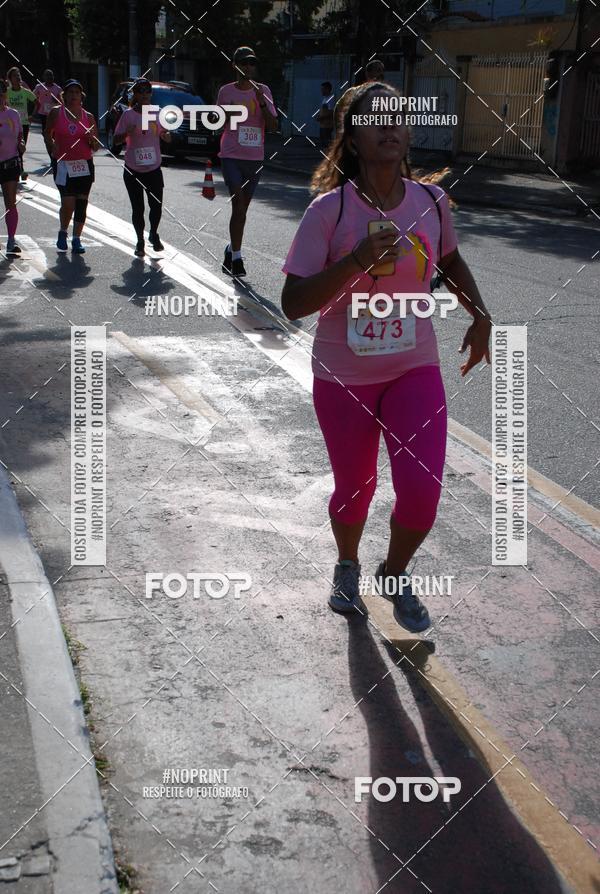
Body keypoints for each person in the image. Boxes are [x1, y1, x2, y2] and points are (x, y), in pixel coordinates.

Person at [281, 82, 491, 630]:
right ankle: (346, 564)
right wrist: (353, 260)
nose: (390, 128)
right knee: (356, 488)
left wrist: (480, 315)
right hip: (343, 376)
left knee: (422, 494)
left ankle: (394, 573)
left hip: (412, 367)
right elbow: (293, 304)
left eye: (399, 118)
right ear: (352, 137)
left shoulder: (432, 203)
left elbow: (450, 262)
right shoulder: (329, 212)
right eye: (375, 119)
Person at [216, 46, 277, 278]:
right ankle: (238, 259)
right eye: (243, 63)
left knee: (242, 211)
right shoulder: (226, 91)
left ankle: (230, 250)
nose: (248, 67)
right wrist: (225, 116)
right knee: (238, 205)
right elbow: (216, 121)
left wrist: (262, 103)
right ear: (235, 65)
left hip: (254, 158)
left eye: (252, 63)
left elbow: (273, 126)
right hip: (231, 155)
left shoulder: (264, 90)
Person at [113, 78, 171, 257]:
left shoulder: (157, 113)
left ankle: (153, 233)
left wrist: (166, 135)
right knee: (138, 208)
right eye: (141, 91)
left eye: (148, 91)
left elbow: (166, 133)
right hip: (133, 169)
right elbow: (115, 140)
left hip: (153, 168)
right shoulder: (128, 115)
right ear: (135, 95)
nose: (145, 95)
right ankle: (140, 241)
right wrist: (126, 134)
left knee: (157, 206)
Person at [45, 79, 99, 254]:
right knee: (68, 202)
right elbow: (48, 133)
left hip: (84, 164)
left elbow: (96, 146)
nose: (74, 95)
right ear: (65, 95)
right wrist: (51, 145)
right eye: (70, 92)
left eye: (77, 92)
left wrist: (91, 138)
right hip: (63, 164)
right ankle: (63, 231)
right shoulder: (56, 113)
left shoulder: (88, 116)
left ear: (81, 96)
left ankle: (76, 239)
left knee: (82, 202)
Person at [0, 79, 26, 255]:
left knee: (11, 202)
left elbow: (20, 136)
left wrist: (21, 143)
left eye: (2, 92)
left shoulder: (13, 114)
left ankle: (11, 239)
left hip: (10, 162)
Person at [334, 59, 385, 134]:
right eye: (378, 70)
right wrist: (340, 132)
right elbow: (338, 109)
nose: (381, 73)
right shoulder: (354, 92)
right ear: (368, 73)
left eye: (382, 70)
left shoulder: (385, 94)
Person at [6, 67, 36, 180]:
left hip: (23, 123)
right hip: (9, 124)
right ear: (10, 79)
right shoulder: (7, 92)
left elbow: (37, 102)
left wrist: (32, 115)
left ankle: (19, 169)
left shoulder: (25, 92)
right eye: (15, 75)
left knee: (21, 147)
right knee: (12, 147)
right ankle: (19, 170)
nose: (18, 77)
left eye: (19, 75)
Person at [34, 70, 62, 162]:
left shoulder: (58, 89)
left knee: (54, 136)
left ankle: (55, 155)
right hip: (44, 115)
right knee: (47, 137)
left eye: (51, 75)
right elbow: (32, 97)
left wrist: (57, 101)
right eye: (47, 75)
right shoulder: (39, 87)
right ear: (44, 77)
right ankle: (51, 157)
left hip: (54, 116)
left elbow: (63, 102)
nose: (49, 77)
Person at [318, 81, 335, 147]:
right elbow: (324, 110)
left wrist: (321, 117)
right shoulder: (325, 98)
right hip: (323, 125)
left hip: (327, 126)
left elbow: (332, 112)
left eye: (323, 89)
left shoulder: (331, 99)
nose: (321, 91)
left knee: (327, 144)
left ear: (327, 89)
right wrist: (319, 116)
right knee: (323, 143)